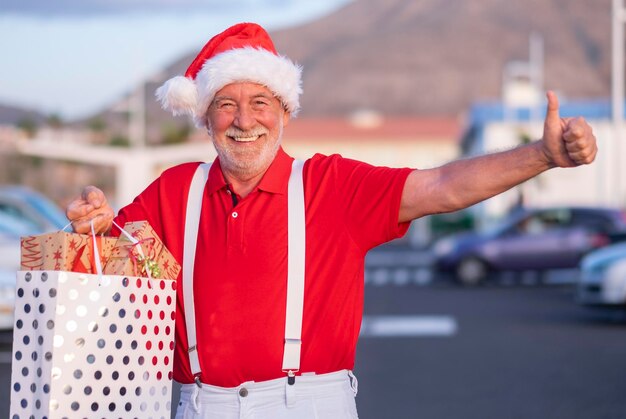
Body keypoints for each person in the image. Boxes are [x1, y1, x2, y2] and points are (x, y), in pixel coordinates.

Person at [66, 22, 597, 419]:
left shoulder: (331, 186)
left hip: (310, 405)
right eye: (226, 104)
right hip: (200, 405)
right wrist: (89, 223)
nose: (244, 120)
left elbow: (443, 186)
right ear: (205, 117)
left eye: (260, 101)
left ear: (286, 111)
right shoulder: (173, 191)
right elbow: (105, 272)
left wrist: (543, 156)